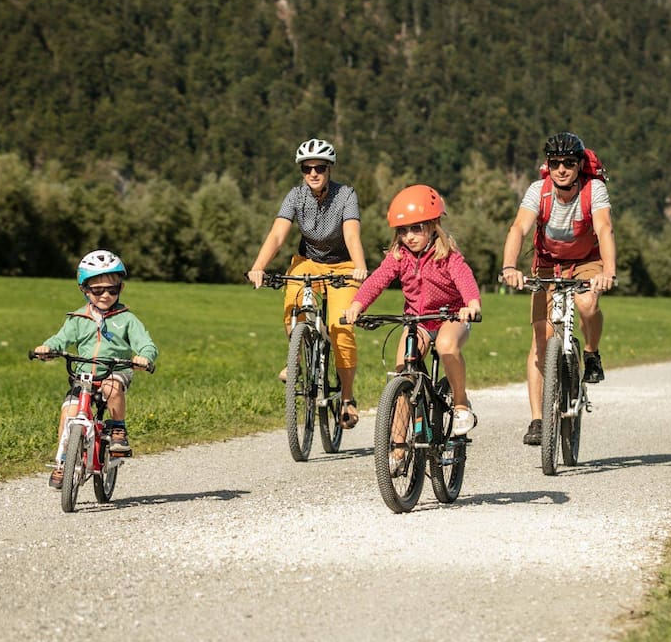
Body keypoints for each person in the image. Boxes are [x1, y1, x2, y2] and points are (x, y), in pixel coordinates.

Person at [501, 132, 617, 446]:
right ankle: (538, 420)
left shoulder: (595, 190)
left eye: (568, 162)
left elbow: (604, 228)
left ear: (580, 165)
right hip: (548, 264)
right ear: (547, 165)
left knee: (587, 305)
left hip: (586, 261)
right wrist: (509, 267)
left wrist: (608, 271)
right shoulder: (539, 191)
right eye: (555, 163)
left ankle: (591, 352)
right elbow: (519, 228)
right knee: (541, 336)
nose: (562, 169)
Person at [247, 138, 369, 428]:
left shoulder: (346, 195)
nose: (313, 173)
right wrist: (258, 267)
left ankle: (348, 398)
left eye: (319, 168)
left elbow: (352, 234)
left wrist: (360, 266)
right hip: (308, 262)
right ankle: (297, 360)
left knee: (342, 327)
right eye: (307, 168)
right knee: (293, 308)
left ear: (329, 169)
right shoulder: (295, 196)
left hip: (343, 264)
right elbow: (278, 235)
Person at [343, 185, 482, 436]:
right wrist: (357, 305)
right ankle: (397, 448)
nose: (409, 236)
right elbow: (377, 281)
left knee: (446, 345)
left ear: (433, 225)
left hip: (450, 317)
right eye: (403, 230)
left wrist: (471, 304)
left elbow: (465, 279)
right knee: (402, 373)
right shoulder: (399, 256)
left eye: (416, 228)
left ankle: (461, 403)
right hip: (416, 322)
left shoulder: (448, 256)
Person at [34, 250, 159, 488]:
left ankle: (118, 429)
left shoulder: (127, 319)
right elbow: (61, 339)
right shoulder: (78, 319)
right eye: (98, 290)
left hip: (115, 370)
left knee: (112, 388)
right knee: (68, 414)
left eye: (112, 289)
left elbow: (146, 343)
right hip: (82, 376)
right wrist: (47, 348)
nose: (105, 295)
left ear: (120, 289)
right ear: (84, 289)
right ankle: (62, 463)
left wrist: (144, 356)